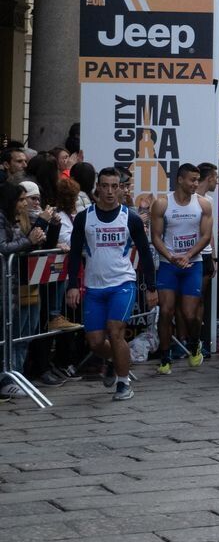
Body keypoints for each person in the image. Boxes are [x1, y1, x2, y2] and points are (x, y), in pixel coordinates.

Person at [63, 168, 158, 401]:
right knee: (95, 342)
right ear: (98, 187)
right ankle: (115, 359)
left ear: (121, 188)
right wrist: (73, 285)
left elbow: (145, 254)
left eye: (114, 186)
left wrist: (153, 288)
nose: (109, 191)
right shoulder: (85, 217)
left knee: (116, 332)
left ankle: (123, 383)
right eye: (104, 186)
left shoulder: (131, 218)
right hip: (94, 286)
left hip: (122, 283)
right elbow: (75, 253)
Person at [149, 163, 213, 373]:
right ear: (180, 179)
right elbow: (155, 237)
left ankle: (195, 345)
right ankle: (165, 357)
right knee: (166, 312)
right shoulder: (162, 203)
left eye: (197, 180)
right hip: (169, 265)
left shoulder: (203, 204)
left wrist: (188, 255)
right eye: (192, 180)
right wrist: (170, 256)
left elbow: (205, 236)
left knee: (189, 314)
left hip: (192, 264)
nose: (196, 184)